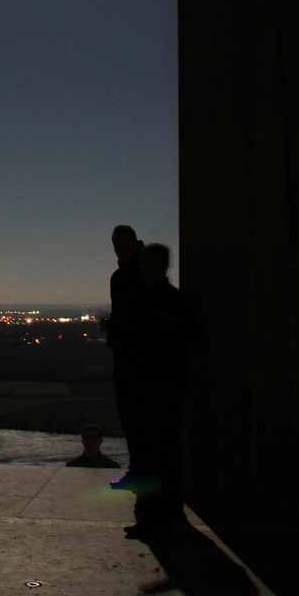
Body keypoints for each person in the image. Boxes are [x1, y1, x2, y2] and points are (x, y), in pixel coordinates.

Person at [123, 241, 201, 537]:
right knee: (156, 450)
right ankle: (160, 512)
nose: (145, 269)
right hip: (152, 382)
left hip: (161, 383)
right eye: (143, 264)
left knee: (160, 450)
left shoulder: (167, 298)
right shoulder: (151, 297)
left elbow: (193, 329)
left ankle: (161, 513)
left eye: (149, 264)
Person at [106, 224, 146, 490]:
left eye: (125, 245)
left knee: (136, 419)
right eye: (118, 247)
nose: (121, 250)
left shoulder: (131, 275)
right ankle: (140, 472)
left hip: (136, 360)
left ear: (135, 243)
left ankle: (141, 475)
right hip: (130, 357)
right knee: (133, 420)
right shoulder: (127, 274)